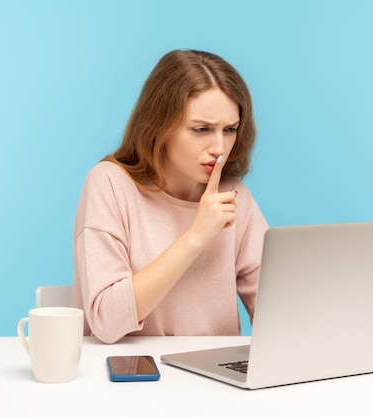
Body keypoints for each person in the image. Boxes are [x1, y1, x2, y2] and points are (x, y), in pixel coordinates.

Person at [71, 49, 268, 344]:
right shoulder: (110, 184)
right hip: (127, 372)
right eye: (201, 129)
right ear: (160, 126)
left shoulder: (234, 195)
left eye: (230, 130)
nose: (219, 147)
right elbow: (106, 321)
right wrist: (195, 236)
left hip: (212, 377)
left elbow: (278, 310)